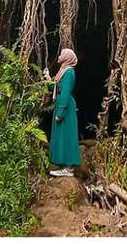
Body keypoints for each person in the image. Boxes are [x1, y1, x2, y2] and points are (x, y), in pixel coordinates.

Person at [45, 48, 80, 177]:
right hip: (60, 105)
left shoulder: (69, 72)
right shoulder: (63, 71)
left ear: (67, 57)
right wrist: (48, 77)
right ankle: (63, 165)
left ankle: (69, 168)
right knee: (61, 135)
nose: (59, 56)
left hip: (65, 107)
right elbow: (56, 88)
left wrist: (61, 111)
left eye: (61, 54)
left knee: (67, 135)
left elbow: (65, 93)